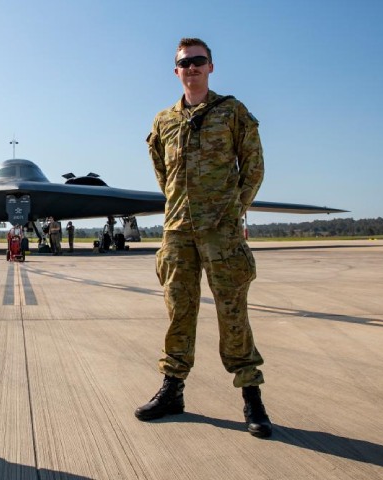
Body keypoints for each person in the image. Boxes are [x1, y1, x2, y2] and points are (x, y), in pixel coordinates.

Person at [136, 38, 272, 438]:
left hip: (222, 232)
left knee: (233, 311)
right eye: (184, 62)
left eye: (198, 61)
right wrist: (181, 208)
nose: (191, 67)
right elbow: (163, 174)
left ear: (211, 67)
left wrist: (231, 211)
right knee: (179, 311)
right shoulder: (164, 121)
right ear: (175, 70)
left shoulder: (232, 112)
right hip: (178, 232)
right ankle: (173, 390)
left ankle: (252, 396)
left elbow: (254, 167)